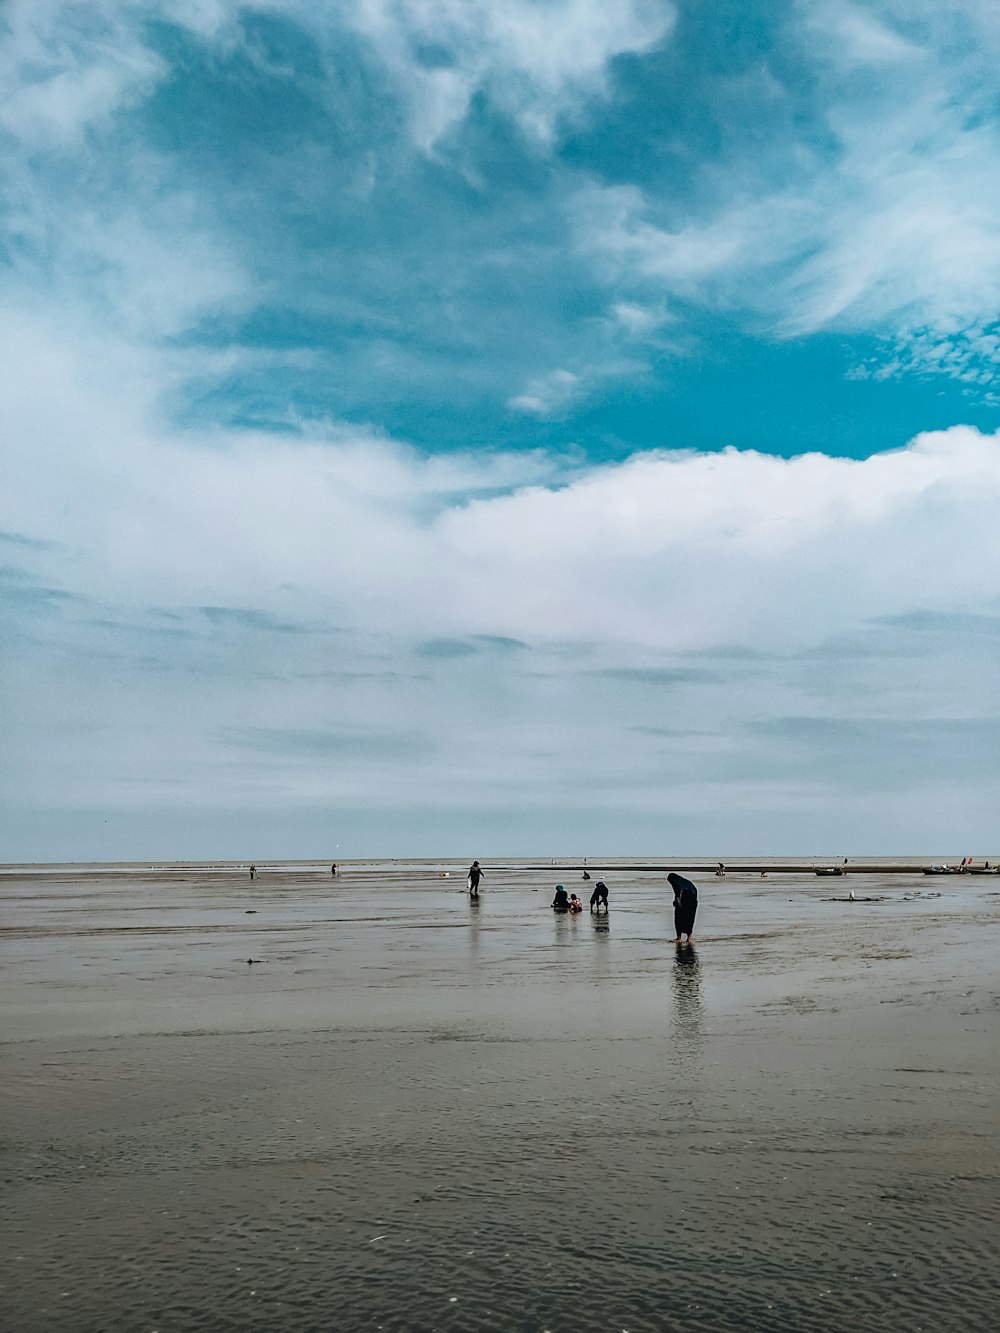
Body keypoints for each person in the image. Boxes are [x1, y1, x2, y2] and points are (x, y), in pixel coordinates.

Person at [668, 872, 698, 943]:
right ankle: (689, 938)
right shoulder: (688, 884)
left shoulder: (677, 884)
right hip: (692, 903)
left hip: (685, 901)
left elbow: (678, 894)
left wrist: (677, 902)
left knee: (678, 919)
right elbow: (695, 892)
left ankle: (679, 938)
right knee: (689, 920)